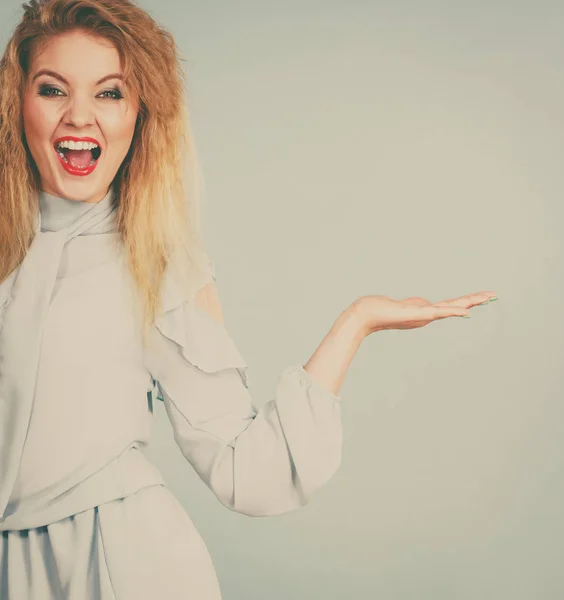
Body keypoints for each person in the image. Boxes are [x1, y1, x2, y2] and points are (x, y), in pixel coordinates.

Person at [0, 0, 498, 598]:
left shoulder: (157, 268)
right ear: (16, 104)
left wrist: (357, 322)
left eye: (110, 93)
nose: (79, 116)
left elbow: (247, 470)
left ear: (140, 114)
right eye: (53, 89)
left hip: (123, 568)